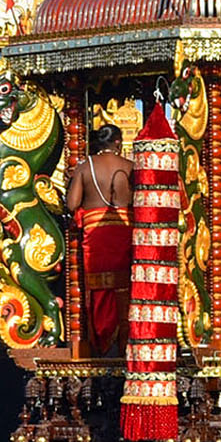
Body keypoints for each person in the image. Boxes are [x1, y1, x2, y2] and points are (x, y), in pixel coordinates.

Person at [64, 124, 134, 358]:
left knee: (97, 288)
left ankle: (99, 341)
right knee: (125, 287)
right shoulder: (130, 167)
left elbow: (73, 204)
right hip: (124, 231)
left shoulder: (86, 167)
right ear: (117, 143)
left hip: (95, 235)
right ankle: (124, 343)